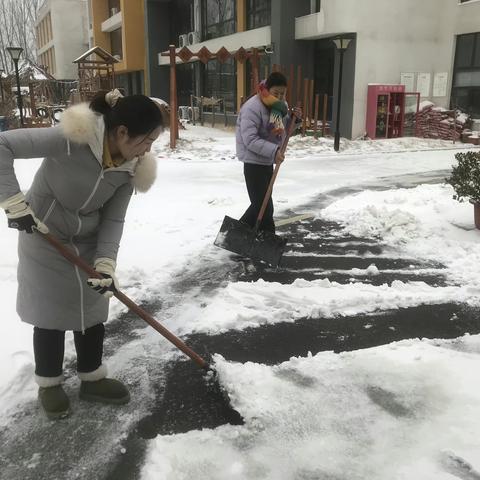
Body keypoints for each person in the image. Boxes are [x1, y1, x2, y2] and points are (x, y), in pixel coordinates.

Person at [0, 89, 163, 420]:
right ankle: (49, 384)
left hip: (86, 241)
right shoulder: (71, 139)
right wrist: (14, 201)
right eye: (147, 139)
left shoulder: (130, 167)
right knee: (50, 312)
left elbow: (113, 219)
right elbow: (3, 144)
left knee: (92, 304)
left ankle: (92, 378)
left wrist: (105, 263)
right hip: (43, 235)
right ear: (121, 133)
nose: (149, 149)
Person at [236, 72, 301, 234]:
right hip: (253, 163)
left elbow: (281, 133)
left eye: (283, 93)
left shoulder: (279, 106)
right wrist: (274, 151)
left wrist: (294, 119)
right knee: (265, 208)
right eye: (276, 93)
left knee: (259, 205)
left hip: (267, 162)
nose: (280, 97)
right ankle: (268, 241)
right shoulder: (252, 107)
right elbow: (249, 139)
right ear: (267, 89)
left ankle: (235, 235)